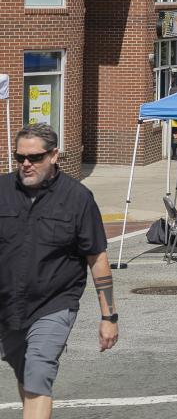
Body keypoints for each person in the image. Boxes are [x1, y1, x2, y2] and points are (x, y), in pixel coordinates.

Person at [1, 124, 119, 418]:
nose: (26, 164)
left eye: (35, 157)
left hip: (54, 303)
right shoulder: (2, 191)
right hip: (7, 304)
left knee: (38, 370)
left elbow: (97, 257)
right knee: (26, 373)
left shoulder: (77, 198)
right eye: (20, 158)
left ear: (54, 155)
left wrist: (109, 317)